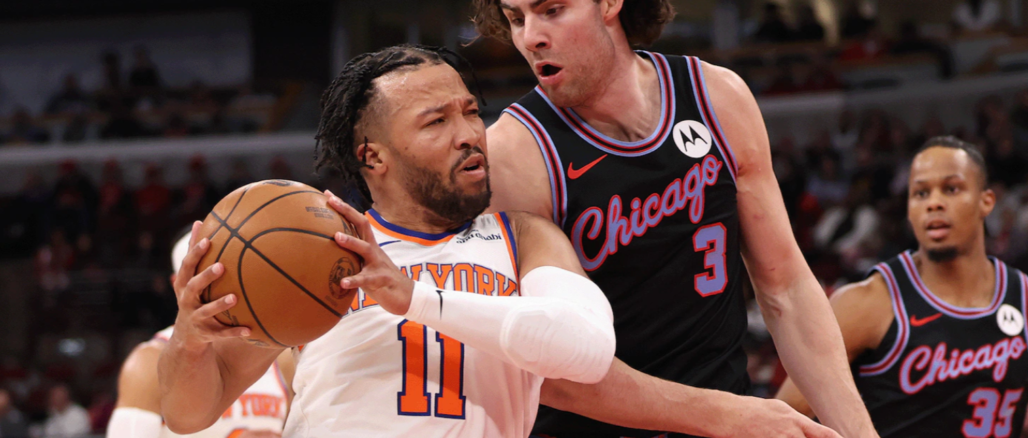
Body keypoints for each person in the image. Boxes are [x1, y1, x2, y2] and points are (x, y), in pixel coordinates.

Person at [157, 45, 617, 438]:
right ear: (374, 157)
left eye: (471, 112)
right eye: (436, 121)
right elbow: (187, 415)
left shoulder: (522, 237)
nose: (469, 135)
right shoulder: (322, 249)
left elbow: (589, 351)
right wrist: (189, 340)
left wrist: (414, 298)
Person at [472, 0, 875, 437]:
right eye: (516, 19)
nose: (531, 37)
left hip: (727, 417)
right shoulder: (513, 156)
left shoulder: (717, 96)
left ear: (609, 4)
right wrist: (721, 415)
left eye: (552, 10)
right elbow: (547, 367)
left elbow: (786, 289)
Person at [776, 136, 1028, 437]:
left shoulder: (1023, 297)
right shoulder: (867, 302)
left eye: (951, 188)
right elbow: (782, 420)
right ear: (909, 209)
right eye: (921, 193)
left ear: (986, 201)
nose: (934, 203)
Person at [107, 230, 293, 438]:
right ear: (178, 284)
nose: (221, 287)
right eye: (207, 277)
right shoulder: (147, 362)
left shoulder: (281, 357)